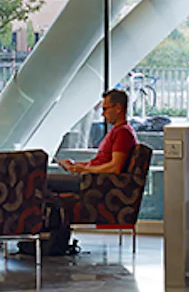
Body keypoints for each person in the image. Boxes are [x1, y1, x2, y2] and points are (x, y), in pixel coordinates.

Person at [9, 88, 137, 259]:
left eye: (106, 109)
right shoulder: (117, 132)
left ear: (118, 108)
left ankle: (34, 226)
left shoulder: (122, 133)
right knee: (42, 184)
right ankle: (48, 225)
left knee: (40, 182)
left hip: (93, 183)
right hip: (90, 177)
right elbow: (102, 162)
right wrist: (78, 165)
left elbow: (114, 168)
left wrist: (83, 169)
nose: (103, 114)